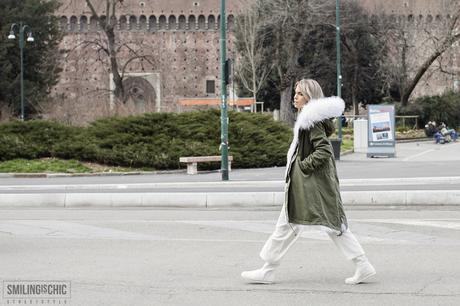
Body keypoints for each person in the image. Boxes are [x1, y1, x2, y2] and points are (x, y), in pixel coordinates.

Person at [241, 79, 376, 285]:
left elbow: (324, 150)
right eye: (295, 93)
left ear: (310, 98)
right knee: (288, 225)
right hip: (304, 186)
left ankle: (363, 265)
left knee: (332, 226)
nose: (295, 97)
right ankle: (268, 269)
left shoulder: (310, 122)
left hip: (312, 186)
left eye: (300, 94)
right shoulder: (307, 120)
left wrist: (303, 166)